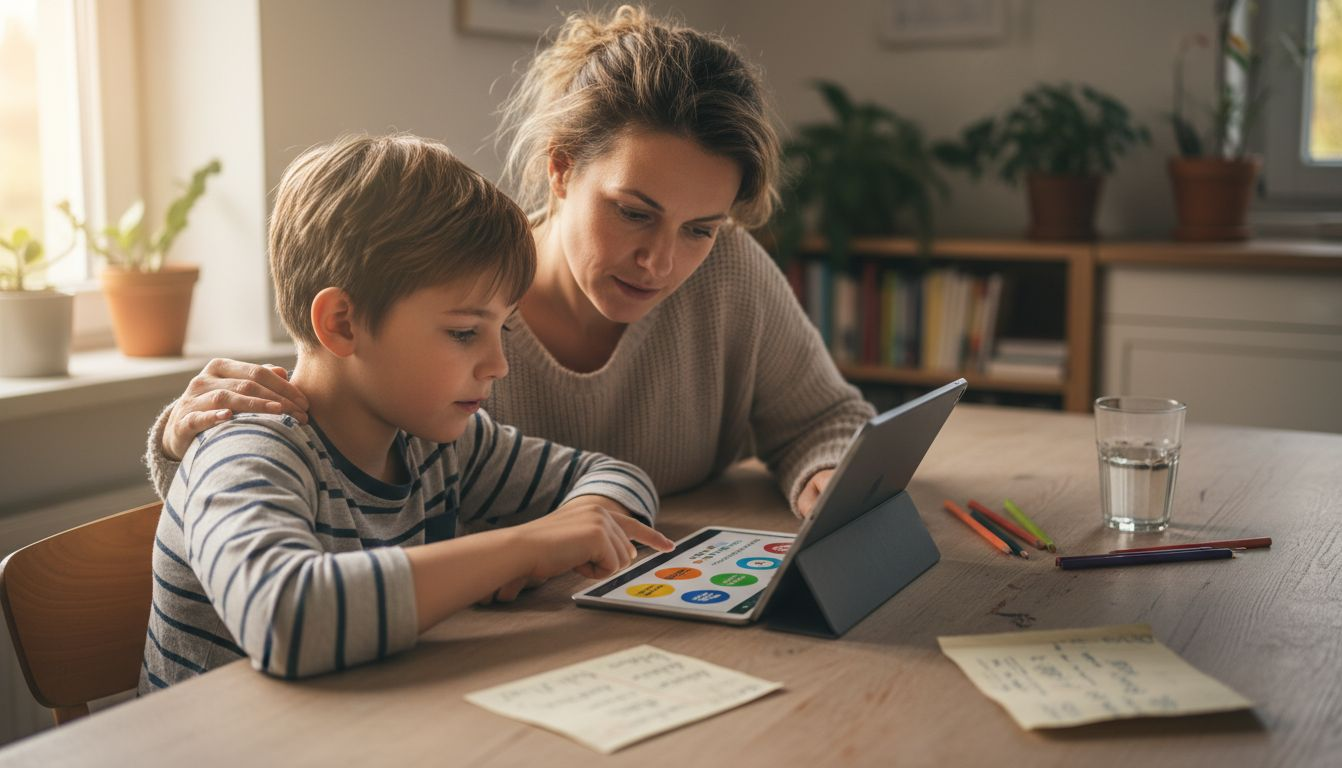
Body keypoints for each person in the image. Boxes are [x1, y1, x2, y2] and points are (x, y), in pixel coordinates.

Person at [143, 5, 874, 526]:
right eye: (633, 211)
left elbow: (826, 417)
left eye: (701, 229)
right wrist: (186, 441)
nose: (661, 260)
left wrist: (822, 476)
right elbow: (333, 465)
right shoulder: (451, 302)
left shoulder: (728, 273)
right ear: (559, 171)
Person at [141, 134, 672, 692]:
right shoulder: (249, 449)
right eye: (465, 332)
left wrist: (578, 519)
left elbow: (618, 477)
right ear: (342, 323)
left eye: (501, 329)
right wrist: (527, 546)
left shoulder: (438, 444)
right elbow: (286, 620)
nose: (498, 365)